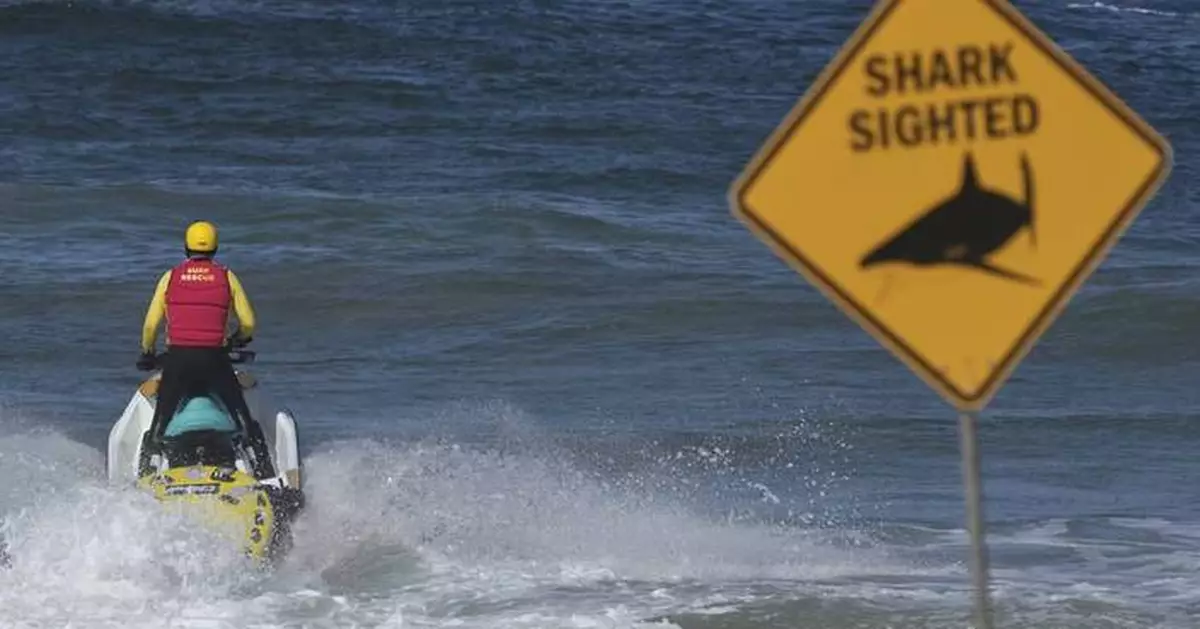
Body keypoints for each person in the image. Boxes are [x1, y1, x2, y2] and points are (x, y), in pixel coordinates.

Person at [138, 220, 275, 477]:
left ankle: (143, 479)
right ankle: (266, 478)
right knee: (244, 421)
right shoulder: (226, 276)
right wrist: (238, 339)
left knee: (159, 424)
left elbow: (150, 325)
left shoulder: (171, 276)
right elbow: (248, 322)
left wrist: (147, 352)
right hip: (214, 360)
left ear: (186, 248)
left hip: (178, 361)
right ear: (215, 248)